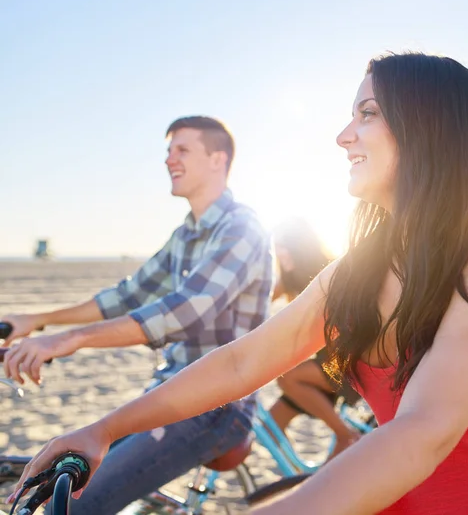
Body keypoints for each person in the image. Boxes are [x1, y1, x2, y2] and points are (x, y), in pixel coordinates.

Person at [10, 54, 468, 514]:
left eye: (367, 113)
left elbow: (422, 431)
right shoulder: (357, 273)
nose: (343, 135)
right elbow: (240, 365)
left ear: (429, 128)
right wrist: (103, 431)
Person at [2, 115, 274, 515]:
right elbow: (127, 296)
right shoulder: (186, 234)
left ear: (218, 159)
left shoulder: (242, 229)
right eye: (168, 151)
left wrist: (67, 340)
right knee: (52, 472)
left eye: (182, 150)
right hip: (168, 394)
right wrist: (39, 320)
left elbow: (182, 313)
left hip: (216, 408)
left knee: (79, 504)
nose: (169, 159)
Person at [268, 217, 361, 456]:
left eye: (284, 246)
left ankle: (346, 434)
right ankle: (297, 479)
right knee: (271, 425)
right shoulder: (289, 277)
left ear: (300, 247)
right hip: (324, 361)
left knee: (287, 378)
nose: (280, 252)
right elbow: (261, 300)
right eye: (276, 247)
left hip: (342, 361)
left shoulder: (328, 271)